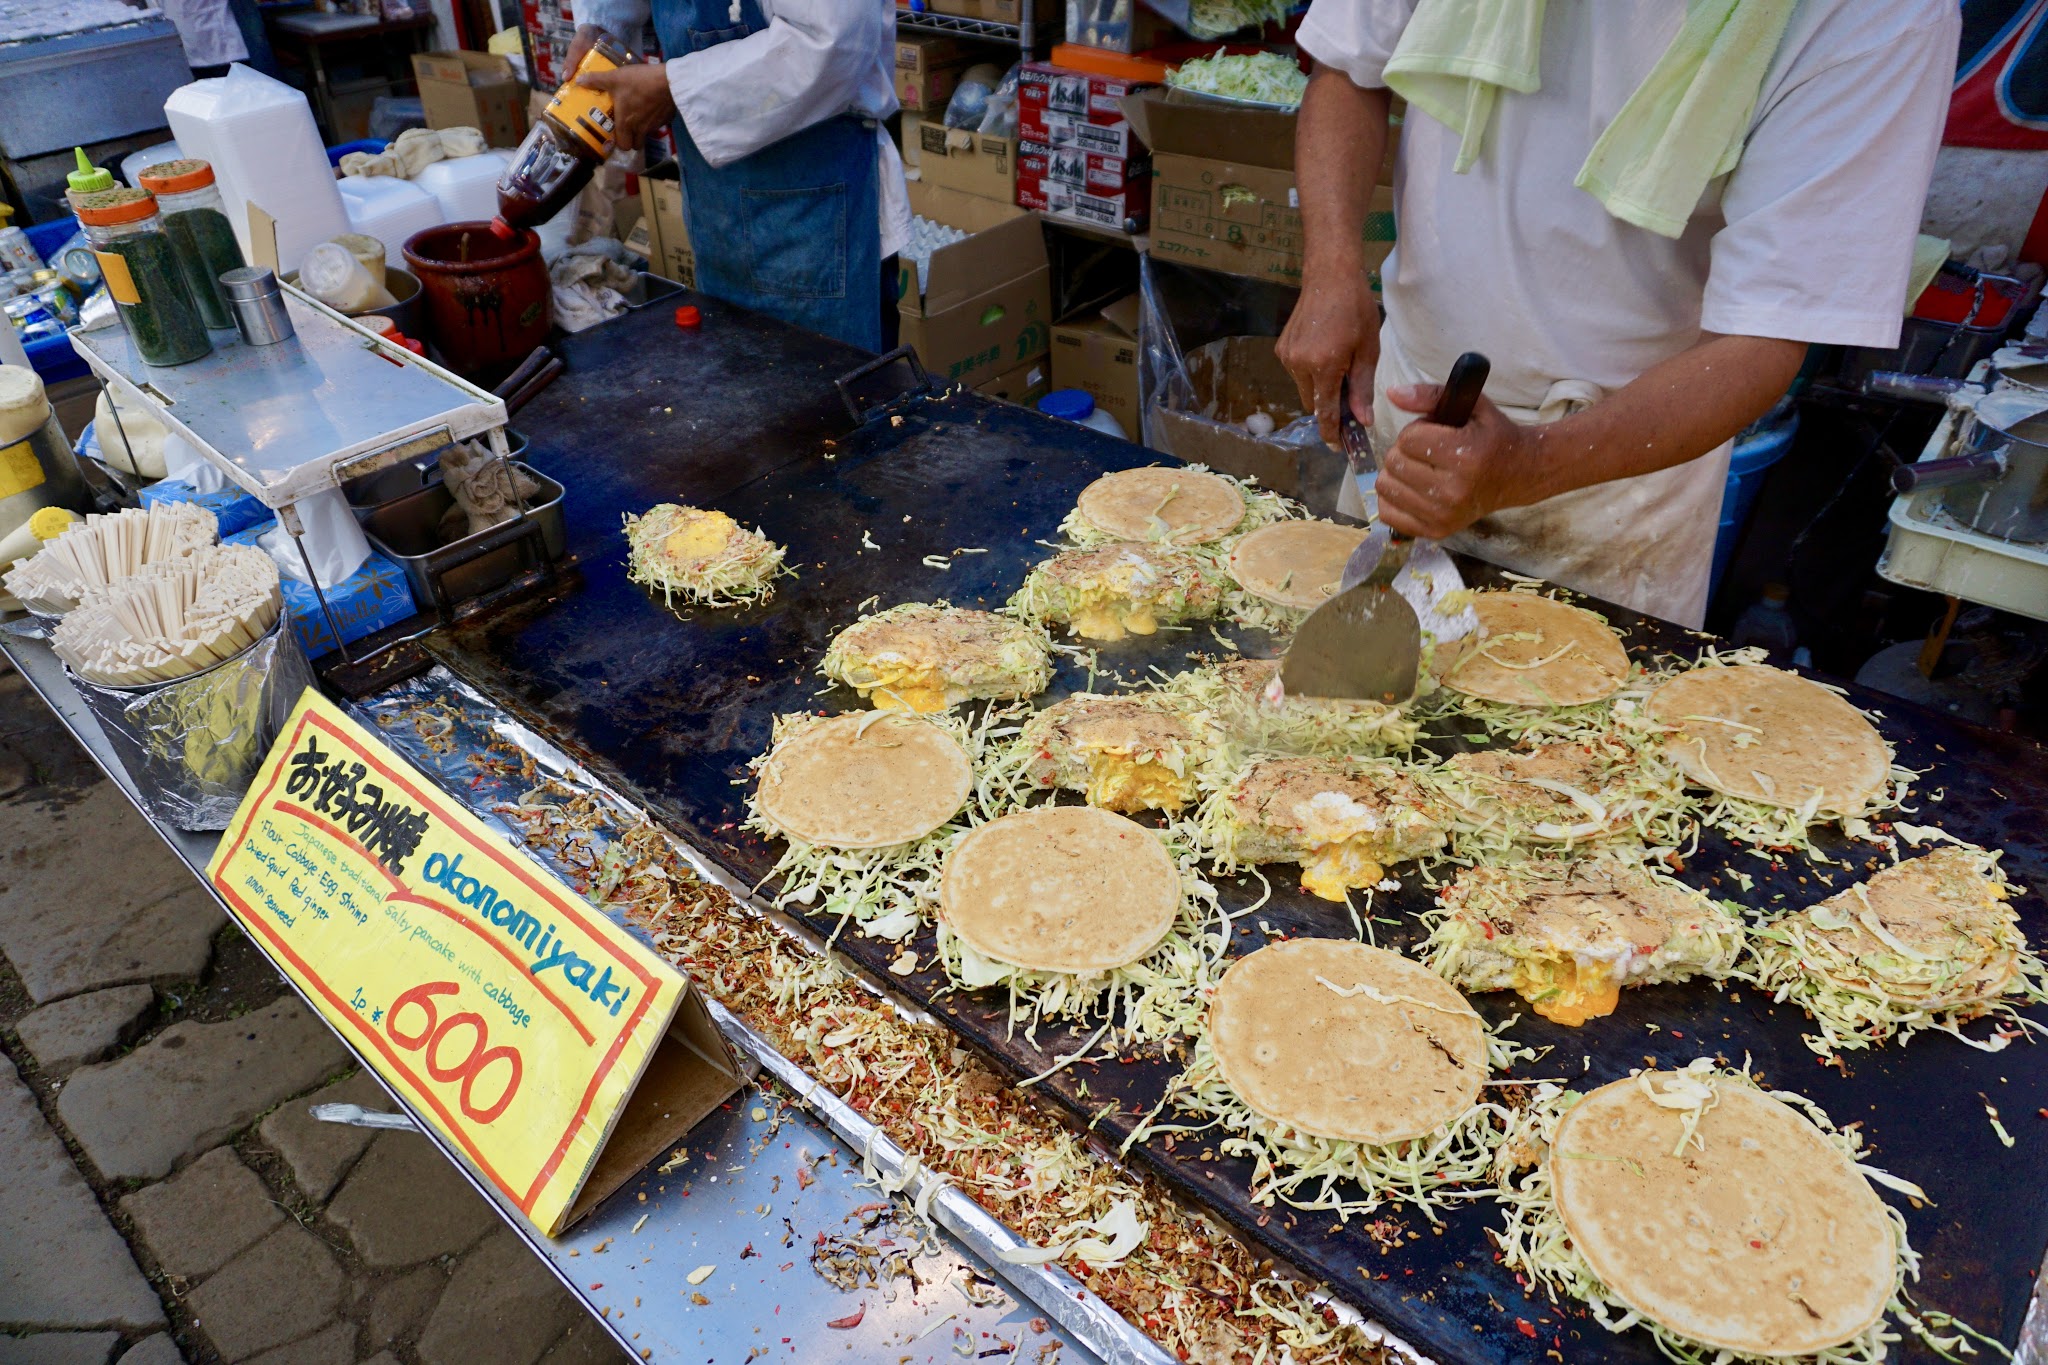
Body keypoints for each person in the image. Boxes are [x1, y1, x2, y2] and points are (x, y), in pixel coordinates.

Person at [1277, 0, 1959, 626]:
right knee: (1325, 720)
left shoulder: (1875, 14)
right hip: (1404, 417)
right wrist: (1331, 271)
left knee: (1577, 748)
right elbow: (1348, 64)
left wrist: (1527, 465)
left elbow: (1763, 339)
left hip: (1618, 479)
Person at [565, 0, 908, 351]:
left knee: (825, 391)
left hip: (817, 209)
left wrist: (673, 89)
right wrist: (602, 27)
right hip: (719, 207)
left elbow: (834, 43)